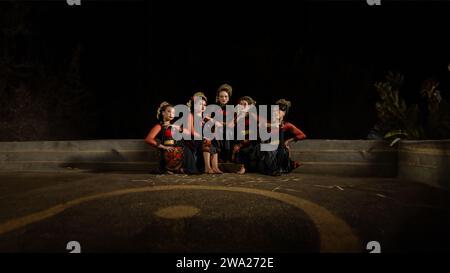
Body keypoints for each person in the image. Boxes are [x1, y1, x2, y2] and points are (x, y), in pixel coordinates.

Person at [254, 99, 306, 176]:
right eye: (274, 111)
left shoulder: (286, 125)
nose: (275, 113)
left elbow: (302, 135)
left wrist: (288, 141)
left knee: (281, 147)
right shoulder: (268, 123)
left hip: (279, 147)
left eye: (278, 111)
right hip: (268, 147)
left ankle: (277, 168)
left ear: (284, 113)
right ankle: (271, 168)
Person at [186, 92, 223, 174]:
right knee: (207, 141)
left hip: (204, 138)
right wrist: (202, 137)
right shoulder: (191, 115)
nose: (203, 106)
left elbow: (219, 126)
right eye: (200, 104)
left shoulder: (205, 116)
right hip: (194, 139)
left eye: (204, 104)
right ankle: (207, 167)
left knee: (214, 141)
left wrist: (211, 120)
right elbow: (190, 131)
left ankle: (215, 167)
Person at [145, 102, 184, 174]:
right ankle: (168, 168)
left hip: (177, 149)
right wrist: (163, 147)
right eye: (169, 111)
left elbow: (187, 133)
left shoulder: (176, 125)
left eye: (173, 112)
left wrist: (174, 126)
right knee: (174, 151)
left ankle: (178, 168)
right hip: (166, 151)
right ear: (163, 113)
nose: (171, 114)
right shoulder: (159, 126)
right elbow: (148, 139)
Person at [232, 96, 259, 174]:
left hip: (251, 140)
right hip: (240, 138)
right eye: (240, 104)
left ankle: (244, 167)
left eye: (245, 104)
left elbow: (253, 133)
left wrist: (240, 144)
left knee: (245, 149)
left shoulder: (252, 117)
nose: (242, 106)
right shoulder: (238, 116)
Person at [215, 83, 234, 163]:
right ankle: (219, 156)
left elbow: (232, 124)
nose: (224, 98)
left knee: (228, 132)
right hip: (217, 131)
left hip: (227, 132)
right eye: (221, 96)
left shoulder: (231, 109)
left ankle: (227, 157)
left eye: (226, 96)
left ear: (228, 98)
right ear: (218, 98)